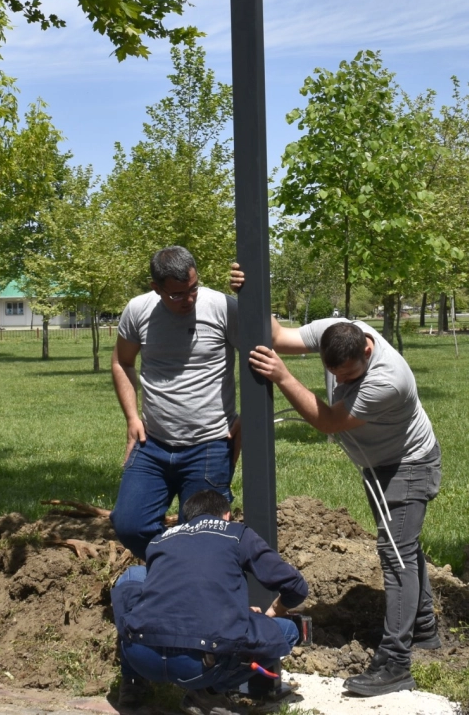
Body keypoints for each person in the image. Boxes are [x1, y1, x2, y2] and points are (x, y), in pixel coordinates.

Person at [248, 317, 440, 697]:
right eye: (335, 374)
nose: (343, 383)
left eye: (350, 376)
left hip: (408, 465)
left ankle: (396, 663)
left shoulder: (388, 379)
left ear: (367, 351)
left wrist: (284, 377)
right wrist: (247, 286)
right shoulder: (336, 330)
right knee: (404, 544)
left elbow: (330, 421)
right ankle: (423, 628)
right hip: (379, 464)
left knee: (395, 552)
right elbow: (278, 336)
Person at [112, 489, 308, 712]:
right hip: (199, 665)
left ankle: (133, 685)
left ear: (187, 518)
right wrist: (275, 609)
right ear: (226, 516)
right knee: (291, 631)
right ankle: (208, 694)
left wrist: (236, 610)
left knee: (133, 576)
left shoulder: (159, 541)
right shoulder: (236, 533)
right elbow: (296, 587)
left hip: (142, 657)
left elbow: (173, 593)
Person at [110, 246, 241, 561]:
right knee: (129, 525)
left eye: (193, 289)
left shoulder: (224, 308)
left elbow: (260, 357)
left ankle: (186, 580)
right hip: (152, 444)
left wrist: (245, 416)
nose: (189, 299)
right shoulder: (138, 310)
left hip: (208, 445)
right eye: (178, 295)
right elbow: (122, 361)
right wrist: (131, 418)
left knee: (202, 535)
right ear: (156, 289)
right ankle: (171, 567)